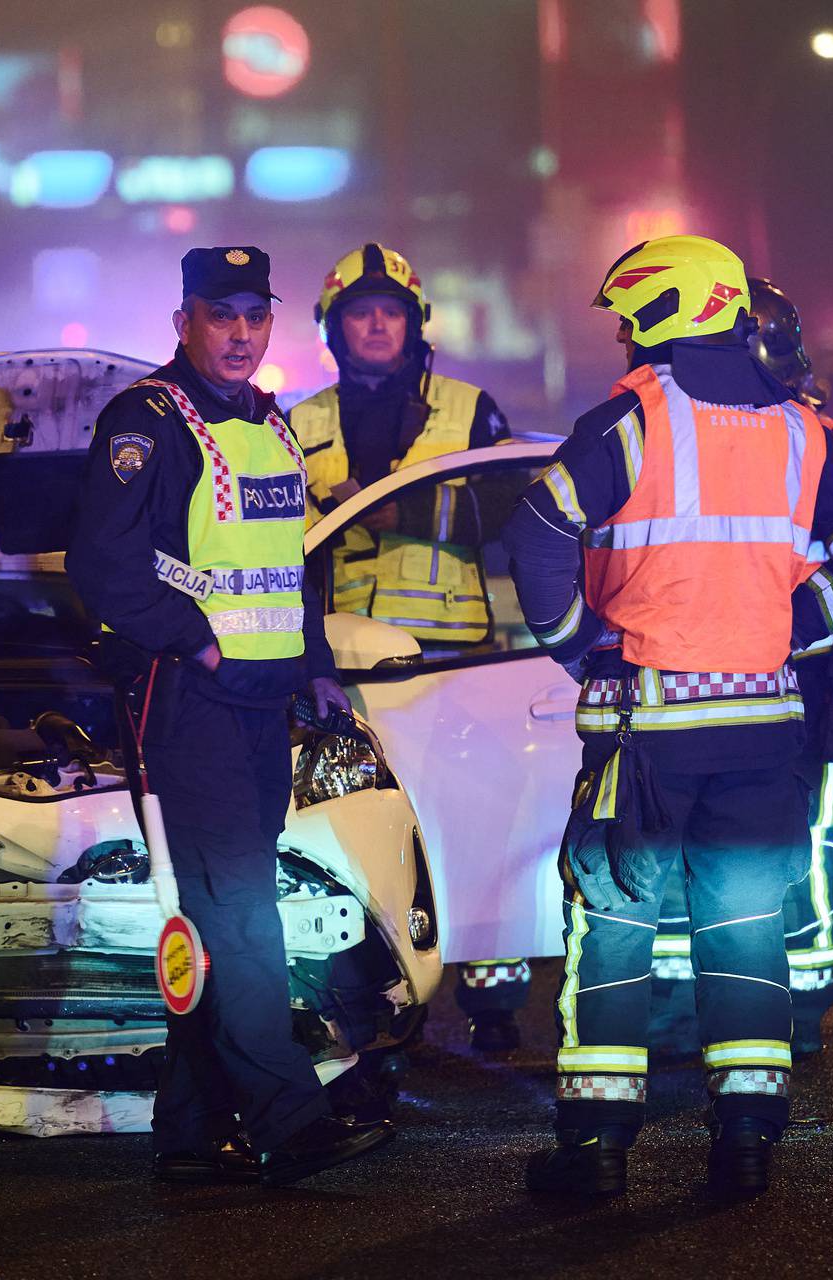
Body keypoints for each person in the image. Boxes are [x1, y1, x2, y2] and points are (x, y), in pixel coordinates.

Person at [505, 235, 833, 1198]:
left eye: (628, 320)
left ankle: (598, 1152)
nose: (622, 340)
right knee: (745, 929)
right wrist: (802, 620)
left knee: (613, 928)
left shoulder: (632, 424)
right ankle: (745, 1142)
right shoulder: (805, 436)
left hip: (645, 730)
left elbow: (537, 525)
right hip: (764, 727)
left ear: (664, 314)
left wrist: (578, 643)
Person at [66, 246, 393, 1186]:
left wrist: (316, 669)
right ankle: (291, 1120)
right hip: (195, 702)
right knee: (245, 913)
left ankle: (191, 1125)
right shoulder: (149, 424)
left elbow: (287, 566)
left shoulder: (271, 423)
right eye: (223, 316)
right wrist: (196, 643)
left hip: (264, 704)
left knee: (221, 915)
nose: (243, 334)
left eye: (256, 316)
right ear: (183, 323)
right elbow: (102, 565)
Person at [288, 242, 533, 1053]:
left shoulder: (471, 410)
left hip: (452, 660)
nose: (375, 325)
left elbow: (518, 521)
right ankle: (383, 990)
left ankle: (493, 999)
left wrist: (406, 515)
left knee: (477, 823)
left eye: (390, 311)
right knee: (368, 830)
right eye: (359, 312)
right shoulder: (299, 421)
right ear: (334, 328)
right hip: (349, 668)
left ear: (415, 324)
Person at [646, 277, 833, 1058]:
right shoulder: (695, 440)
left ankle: (803, 1001)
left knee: (808, 848)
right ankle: (691, 1008)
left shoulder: (821, 444)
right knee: (708, 848)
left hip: (813, 684)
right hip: (731, 679)